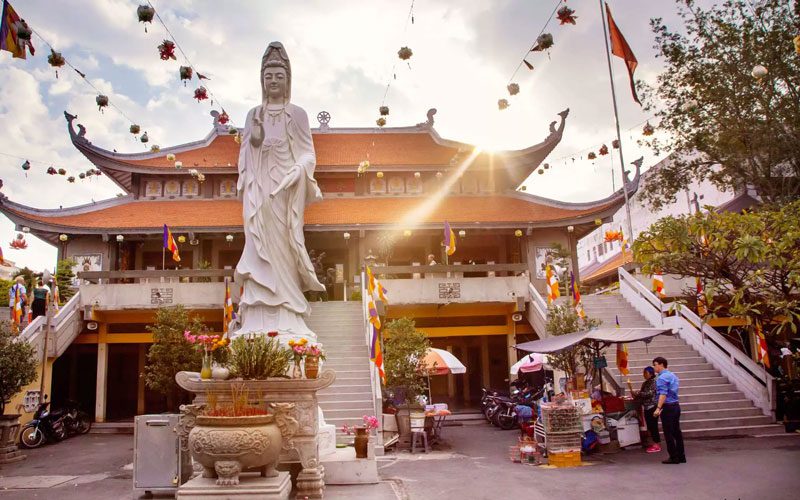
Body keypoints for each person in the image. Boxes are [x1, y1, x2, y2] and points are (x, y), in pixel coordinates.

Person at [233, 41, 326, 341]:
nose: (273, 81)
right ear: (261, 81)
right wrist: (257, 139)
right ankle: (256, 310)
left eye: (279, 76)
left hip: (285, 193)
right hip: (259, 192)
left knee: (284, 247)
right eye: (268, 76)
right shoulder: (253, 115)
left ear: (288, 80)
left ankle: (288, 307)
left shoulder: (297, 114)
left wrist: (298, 170)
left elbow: (308, 154)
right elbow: (246, 153)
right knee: (259, 244)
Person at [653, 356, 686, 464]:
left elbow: (663, 393)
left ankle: (673, 456)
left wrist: (658, 408)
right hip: (676, 405)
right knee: (677, 432)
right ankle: (681, 456)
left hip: (667, 407)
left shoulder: (661, 378)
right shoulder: (673, 376)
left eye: (655, 364)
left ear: (661, 364)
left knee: (668, 433)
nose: (654, 367)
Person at [628, 366, 661, 452]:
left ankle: (656, 443)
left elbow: (649, 393)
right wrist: (635, 394)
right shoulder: (645, 383)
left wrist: (638, 393)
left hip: (652, 406)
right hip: (646, 406)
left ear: (650, 374)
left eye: (645, 373)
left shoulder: (654, 382)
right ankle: (653, 442)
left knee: (653, 426)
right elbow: (642, 393)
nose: (644, 375)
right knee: (650, 426)